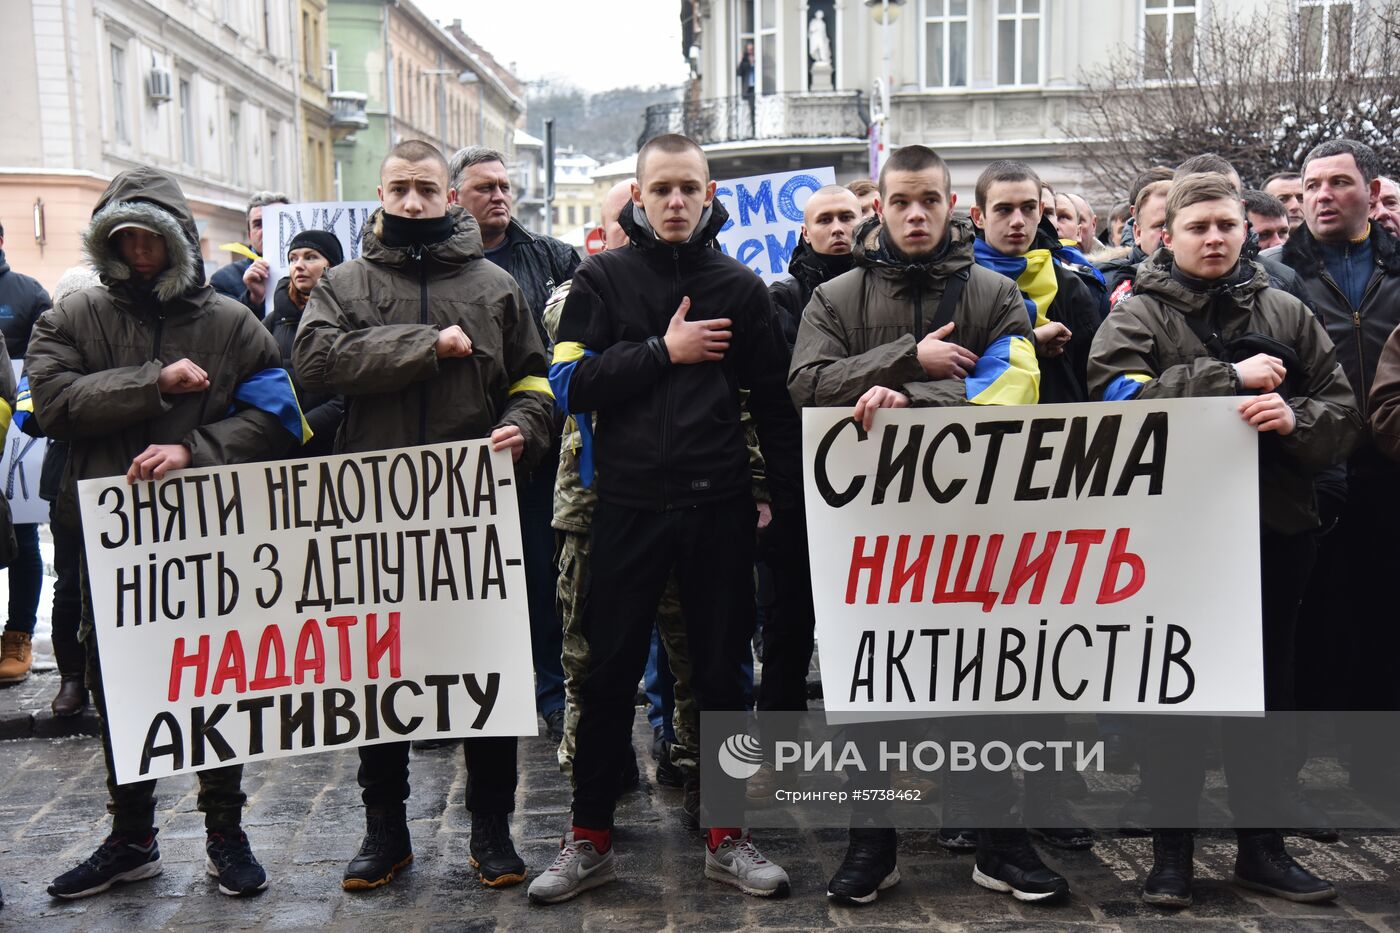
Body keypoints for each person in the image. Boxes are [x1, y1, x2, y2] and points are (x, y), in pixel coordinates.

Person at [527, 133, 800, 905]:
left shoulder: (741, 287)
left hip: (717, 507)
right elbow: (570, 382)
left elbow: (774, 407)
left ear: (708, 194)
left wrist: (775, 499)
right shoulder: (600, 279)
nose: (676, 201)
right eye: (662, 189)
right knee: (606, 675)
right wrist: (663, 349)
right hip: (626, 505)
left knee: (723, 678)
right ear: (638, 198)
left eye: (689, 188)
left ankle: (728, 834)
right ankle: (588, 839)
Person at [788, 145, 1060, 906]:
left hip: (977, 524)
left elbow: (1013, 388)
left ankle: (998, 841)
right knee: (871, 679)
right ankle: (871, 842)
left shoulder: (995, 292)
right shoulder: (835, 298)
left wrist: (910, 401)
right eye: (901, 201)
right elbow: (805, 386)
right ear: (880, 206)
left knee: (981, 679)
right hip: (870, 533)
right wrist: (905, 360)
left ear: (951, 207)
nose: (915, 214)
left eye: (929, 201)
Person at [1089, 171, 1360, 908]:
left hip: (1273, 531)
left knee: (1266, 695)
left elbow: (1342, 407)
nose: (1214, 238)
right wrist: (1225, 379)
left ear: (1246, 230)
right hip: (1168, 540)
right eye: (1198, 226)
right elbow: (1114, 405)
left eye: (1227, 226)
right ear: (1166, 235)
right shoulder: (1135, 315)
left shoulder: (1287, 306)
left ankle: (1262, 849)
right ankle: (1171, 856)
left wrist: (1294, 420)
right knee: (1173, 697)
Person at [29, 166, 301, 900]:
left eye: (152, 236)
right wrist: (151, 384)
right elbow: (50, 401)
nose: (140, 249)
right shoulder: (74, 314)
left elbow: (281, 418)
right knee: (121, 684)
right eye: (126, 237)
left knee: (213, 677)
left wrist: (194, 449)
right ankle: (132, 835)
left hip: (208, 539)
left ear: (177, 239)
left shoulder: (229, 322)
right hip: (111, 542)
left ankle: (225, 831)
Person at [294, 139, 554, 892]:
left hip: (473, 515)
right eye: (400, 188)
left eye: (426, 189)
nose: (412, 202)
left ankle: (493, 828)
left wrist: (526, 426)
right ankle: (385, 831)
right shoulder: (342, 283)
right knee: (380, 679)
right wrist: (423, 345)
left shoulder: (494, 283)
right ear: (380, 193)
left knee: (486, 675)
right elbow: (314, 363)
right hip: (373, 514)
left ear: (448, 196)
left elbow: (534, 377)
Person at [546, 179, 689, 792]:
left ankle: (692, 761)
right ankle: (593, 773)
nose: (635, 236)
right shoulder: (575, 295)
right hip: (591, 499)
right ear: (601, 237)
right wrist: (661, 342)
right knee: (587, 651)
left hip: (680, 489)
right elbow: (569, 362)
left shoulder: (697, 286)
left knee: (692, 649)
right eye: (621, 227)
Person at [449, 145, 579, 743]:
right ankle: (459, 697)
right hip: (458, 457)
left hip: (537, 449)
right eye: (484, 188)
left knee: (540, 578)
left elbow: (573, 349)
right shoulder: (437, 267)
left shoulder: (553, 259)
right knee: (462, 585)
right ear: (456, 198)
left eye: (505, 186)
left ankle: (552, 693)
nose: (499, 195)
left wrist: (533, 423)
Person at [1279, 140, 1400, 779]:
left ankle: (1375, 770)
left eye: (1338, 183)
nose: (1322, 196)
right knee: (1310, 624)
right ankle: (1292, 782)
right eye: (1312, 185)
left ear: (1372, 195)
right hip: (1311, 469)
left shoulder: (1398, 268)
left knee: (1384, 616)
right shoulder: (1277, 274)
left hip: (1389, 470)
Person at [36, 265, 101, 716]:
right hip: (66, 481)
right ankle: (72, 679)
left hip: (116, 476)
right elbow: (36, 411)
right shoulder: (52, 343)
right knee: (69, 587)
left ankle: (106, 677)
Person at [0, 219, 51, 686]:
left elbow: (44, 362)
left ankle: (18, 634)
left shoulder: (27, 292)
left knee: (21, 539)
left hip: (15, 441)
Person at [261, 229, 344, 457]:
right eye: (293, 258)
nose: (298, 265)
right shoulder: (272, 323)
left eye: (310, 257)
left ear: (332, 265)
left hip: (335, 448)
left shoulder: (349, 317)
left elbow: (348, 396)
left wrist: (301, 429)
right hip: (280, 449)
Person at [210, 191, 288, 315]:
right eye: (258, 224)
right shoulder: (224, 280)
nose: (267, 230)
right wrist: (253, 299)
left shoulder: (317, 272)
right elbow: (228, 329)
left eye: (277, 221)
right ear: (250, 234)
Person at [1098, 179, 1169, 307]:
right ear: (1137, 233)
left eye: (1176, 225)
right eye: (1160, 225)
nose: (1169, 235)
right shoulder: (1105, 286)